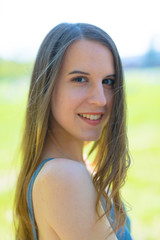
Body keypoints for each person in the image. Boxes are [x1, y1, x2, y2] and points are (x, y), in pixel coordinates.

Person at [14, 23, 132, 240]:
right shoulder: (64, 177)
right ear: (48, 87)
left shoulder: (79, 166)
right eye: (80, 79)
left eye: (108, 81)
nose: (101, 99)